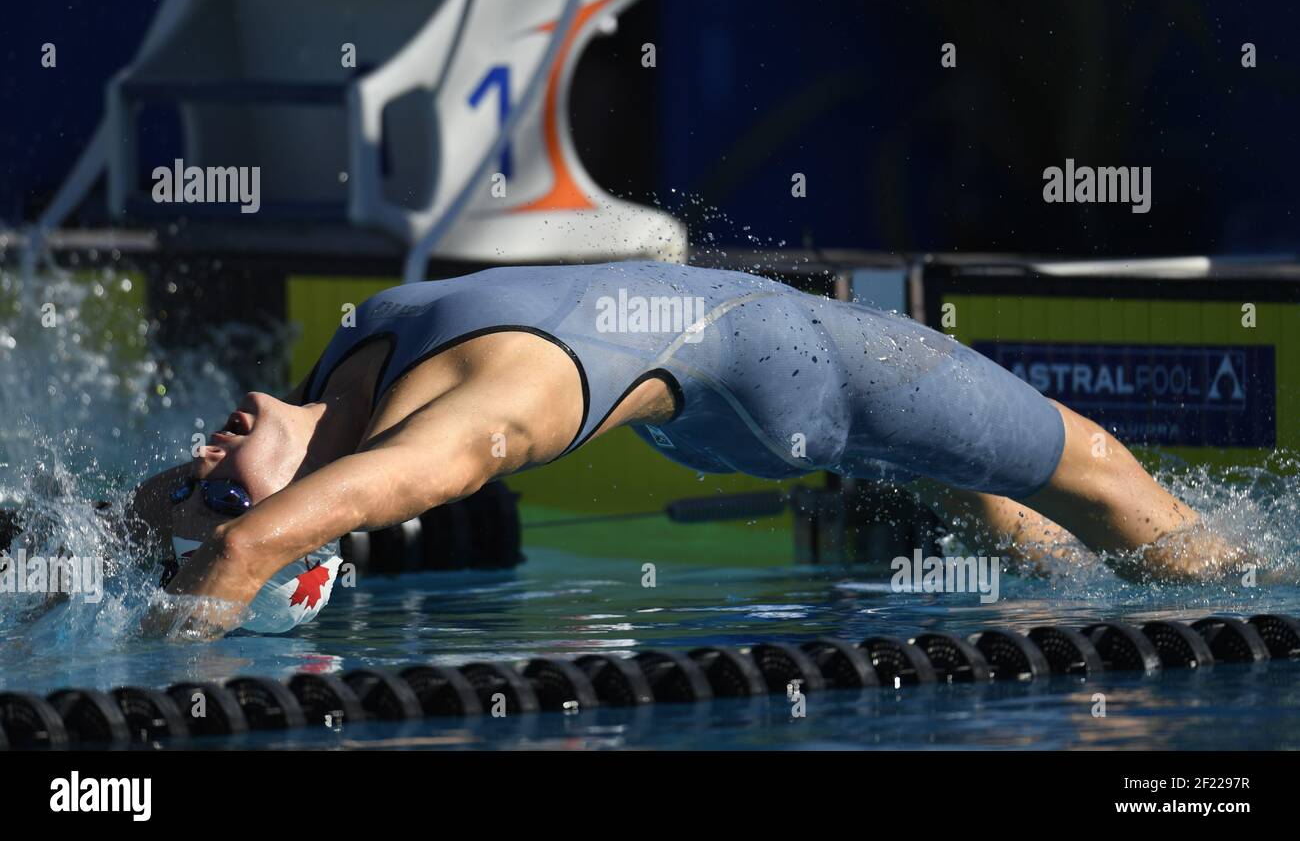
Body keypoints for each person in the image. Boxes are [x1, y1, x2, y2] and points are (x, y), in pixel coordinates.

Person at [131, 261, 1235, 637]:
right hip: (802, 371)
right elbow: (237, 558)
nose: (205, 452)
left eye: (196, 468)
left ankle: (1041, 587)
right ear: (306, 527)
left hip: (708, 393)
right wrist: (169, 685)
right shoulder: (453, 439)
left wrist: (122, 530)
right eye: (218, 482)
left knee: (977, 488)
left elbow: (193, 525)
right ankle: (1242, 597)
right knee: (1098, 473)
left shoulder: (340, 382)